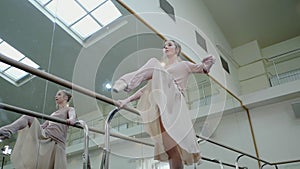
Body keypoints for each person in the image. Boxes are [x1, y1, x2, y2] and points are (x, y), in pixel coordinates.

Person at [112, 40, 215, 169]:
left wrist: (209, 63)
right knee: (171, 150)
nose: (166, 47)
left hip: (175, 100)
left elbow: (203, 69)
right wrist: (126, 101)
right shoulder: (160, 72)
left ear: (177, 50)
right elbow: (145, 89)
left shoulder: (183, 65)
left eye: (169, 45)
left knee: (154, 62)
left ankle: (126, 82)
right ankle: (127, 83)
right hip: (163, 105)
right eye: (164, 46)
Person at [0, 90, 76, 169]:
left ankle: (5, 131)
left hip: (56, 139)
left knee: (28, 117)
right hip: (46, 136)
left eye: (59, 94)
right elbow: (43, 126)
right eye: (56, 95)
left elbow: (72, 118)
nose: (56, 96)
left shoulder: (69, 109)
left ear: (66, 97)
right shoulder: (53, 114)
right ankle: (6, 131)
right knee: (28, 117)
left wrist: (71, 120)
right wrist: (31, 126)